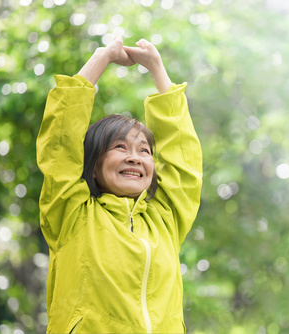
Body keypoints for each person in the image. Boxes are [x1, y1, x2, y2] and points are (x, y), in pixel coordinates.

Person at [36, 35, 202, 333]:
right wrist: (102, 58)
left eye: (144, 150)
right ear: (94, 166)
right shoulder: (71, 215)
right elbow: (60, 143)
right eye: (120, 148)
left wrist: (157, 69)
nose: (135, 158)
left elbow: (183, 160)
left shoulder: (165, 219)